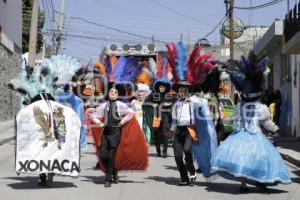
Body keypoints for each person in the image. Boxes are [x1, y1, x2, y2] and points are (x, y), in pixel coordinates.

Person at [210, 53, 291, 193]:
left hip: (240, 136)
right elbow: (266, 122)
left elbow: (233, 118)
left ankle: (245, 184)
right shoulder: (259, 107)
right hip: (255, 137)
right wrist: (275, 129)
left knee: (243, 160)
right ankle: (258, 181)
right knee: (259, 159)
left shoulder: (241, 106)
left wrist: (225, 119)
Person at [91, 82, 148, 187]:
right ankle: (114, 170)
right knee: (103, 154)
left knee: (112, 154)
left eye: (115, 92)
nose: (113, 93)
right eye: (111, 91)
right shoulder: (104, 105)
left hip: (116, 132)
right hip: (106, 132)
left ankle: (108, 179)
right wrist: (99, 122)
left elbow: (131, 113)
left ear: (118, 95)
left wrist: (121, 122)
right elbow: (93, 115)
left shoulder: (121, 105)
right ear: (108, 93)